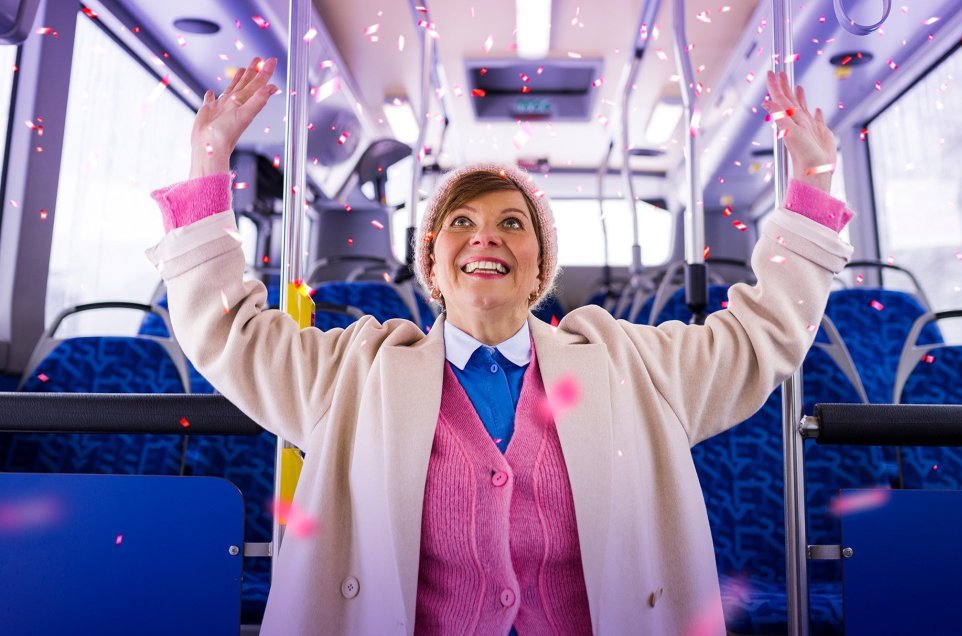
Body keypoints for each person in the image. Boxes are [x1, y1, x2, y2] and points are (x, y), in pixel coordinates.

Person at [147, 56, 852, 635]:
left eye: (513, 223)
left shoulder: (630, 364)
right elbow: (228, 333)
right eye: (461, 221)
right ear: (433, 264)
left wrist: (813, 190)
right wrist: (209, 158)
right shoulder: (353, 372)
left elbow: (759, 336)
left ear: (540, 268)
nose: (485, 236)